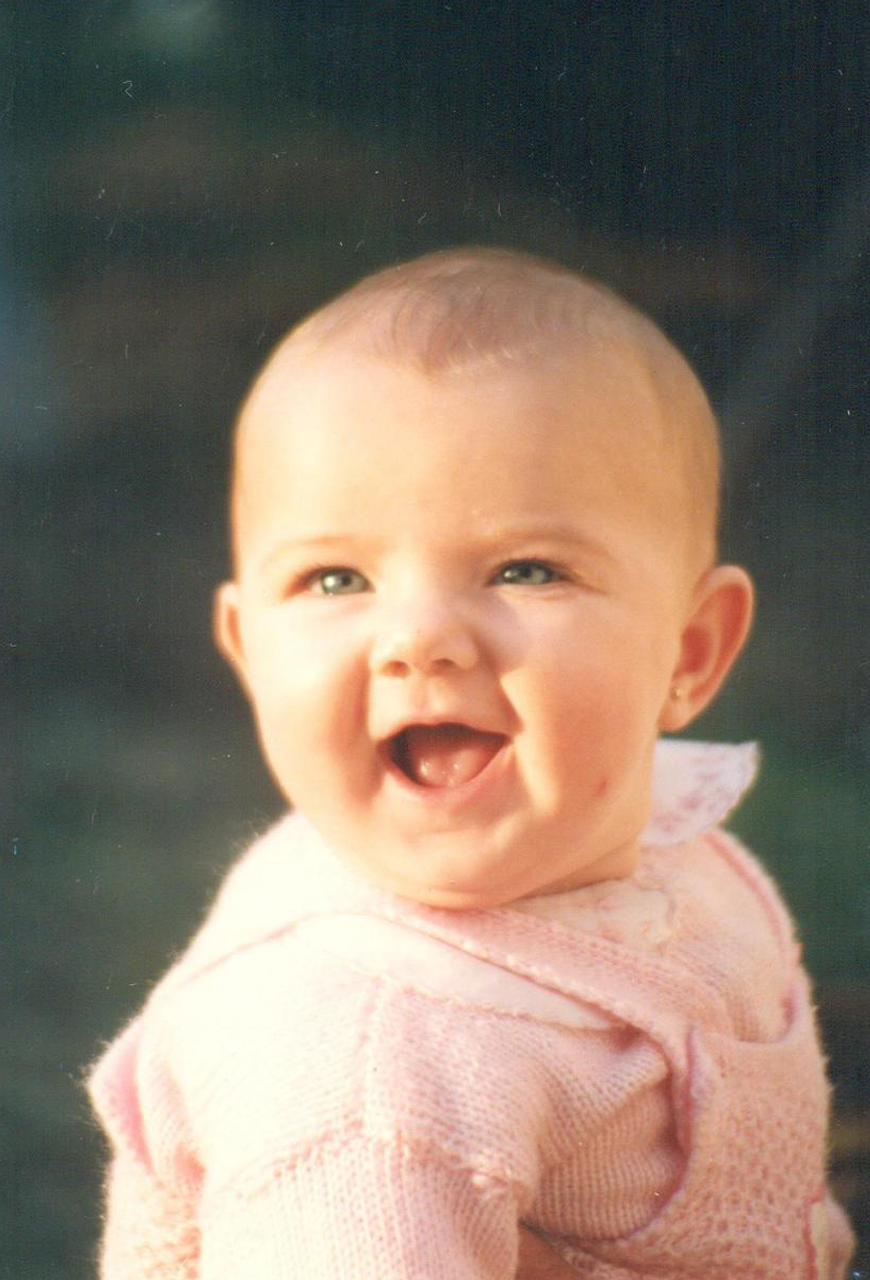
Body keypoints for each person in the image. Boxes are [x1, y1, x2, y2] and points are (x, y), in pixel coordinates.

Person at [88, 247, 854, 1278]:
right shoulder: (363, 1067)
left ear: (690, 650)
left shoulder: (662, 838)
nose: (419, 637)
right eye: (334, 576)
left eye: (523, 568)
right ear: (248, 655)